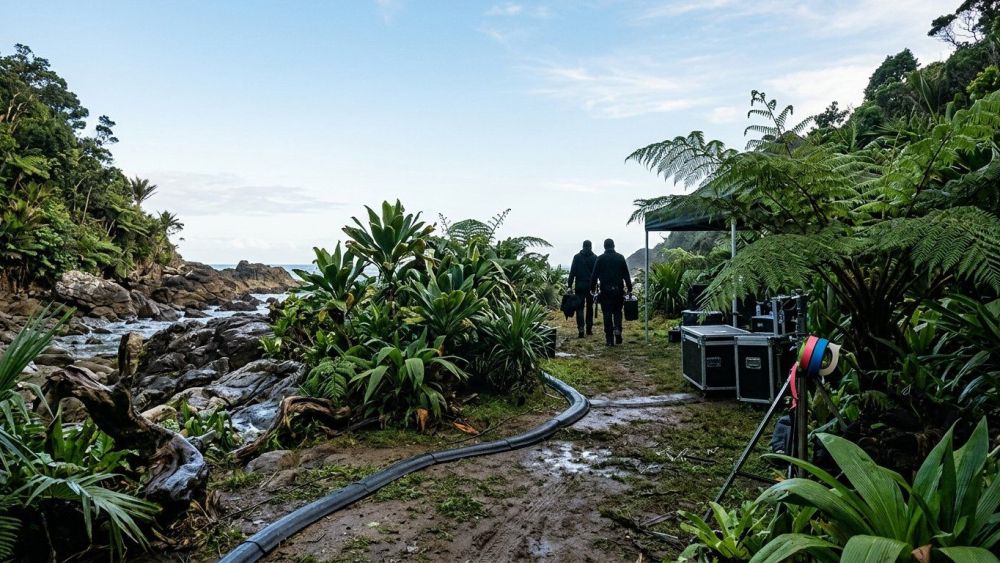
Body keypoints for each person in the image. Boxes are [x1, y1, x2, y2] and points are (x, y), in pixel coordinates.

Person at [590, 238, 632, 346]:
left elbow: (594, 276)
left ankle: (609, 339)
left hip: (605, 291)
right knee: (617, 312)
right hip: (618, 291)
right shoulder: (620, 257)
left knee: (607, 314)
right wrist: (629, 288)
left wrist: (592, 289)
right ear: (613, 245)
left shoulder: (600, 258)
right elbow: (626, 274)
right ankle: (617, 330)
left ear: (604, 247)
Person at [567, 240, 597, 338]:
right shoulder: (594, 257)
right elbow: (596, 274)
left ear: (583, 246)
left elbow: (572, 272)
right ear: (591, 247)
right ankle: (589, 329)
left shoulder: (577, 257)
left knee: (579, 308)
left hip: (579, 285)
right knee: (590, 307)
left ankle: (581, 329)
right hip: (590, 286)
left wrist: (569, 286)